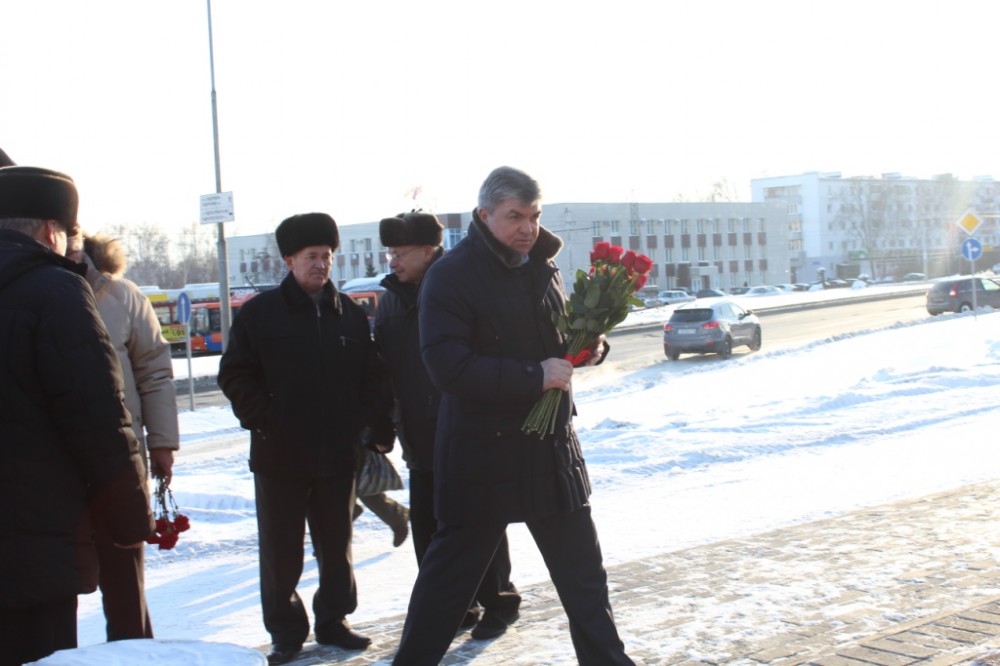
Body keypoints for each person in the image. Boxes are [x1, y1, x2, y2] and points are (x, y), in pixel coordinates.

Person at [392, 167, 632, 665]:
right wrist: (533, 376)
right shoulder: (451, 274)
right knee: (447, 587)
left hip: (550, 449)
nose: (528, 228)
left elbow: (556, 338)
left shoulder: (543, 264)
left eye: (534, 215)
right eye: (515, 216)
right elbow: (448, 367)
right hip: (482, 455)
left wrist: (588, 346)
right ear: (485, 215)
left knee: (585, 581)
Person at [218, 212, 394, 666]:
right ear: (289, 260)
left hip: (337, 453)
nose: (321, 264)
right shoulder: (260, 314)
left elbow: (372, 376)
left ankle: (334, 620)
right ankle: (286, 631)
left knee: (336, 544)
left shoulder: (348, 314)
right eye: (312, 256)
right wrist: (265, 420)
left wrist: (367, 425)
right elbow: (235, 374)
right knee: (282, 549)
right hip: (279, 455)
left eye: (327, 256)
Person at [0, 165, 154, 665]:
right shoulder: (56, 289)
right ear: (52, 231)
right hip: (35, 541)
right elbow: (95, 415)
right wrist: (130, 517)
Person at [374, 211, 521, 639]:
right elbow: (383, 370)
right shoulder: (390, 301)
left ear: (428, 250)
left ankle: (500, 602)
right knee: (428, 530)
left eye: (400, 253)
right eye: (389, 253)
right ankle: (454, 608)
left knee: (479, 523)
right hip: (419, 437)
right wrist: (384, 423)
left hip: (468, 431)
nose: (392, 261)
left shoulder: (461, 285)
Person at [66, 231, 180, 641]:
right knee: (55, 585)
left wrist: (162, 442)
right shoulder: (26, 289)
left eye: (73, 231)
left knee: (125, 580)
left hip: (120, 458)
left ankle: (135, 654)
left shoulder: (122, 295)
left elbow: (155, 371)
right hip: (54, 463)